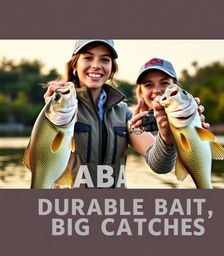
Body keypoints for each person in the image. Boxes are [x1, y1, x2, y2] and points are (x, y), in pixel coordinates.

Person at [44, 40, 178, 188]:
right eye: (88, 58)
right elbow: (42, 159)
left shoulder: (124, 113)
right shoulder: (58, 107)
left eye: (105, 59)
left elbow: (160, 165)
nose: (96, 65)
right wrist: (51, 112)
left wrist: (166, 135)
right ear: (75, 65)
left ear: (111, 69)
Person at [129, 57, 210, 134]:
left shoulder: (189, 115)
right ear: (141, 92)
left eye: (164, 83)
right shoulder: (133, 124)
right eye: (149, 85)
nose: (157, 90)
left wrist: (195, 130)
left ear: (176, 87)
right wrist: (135, 128)